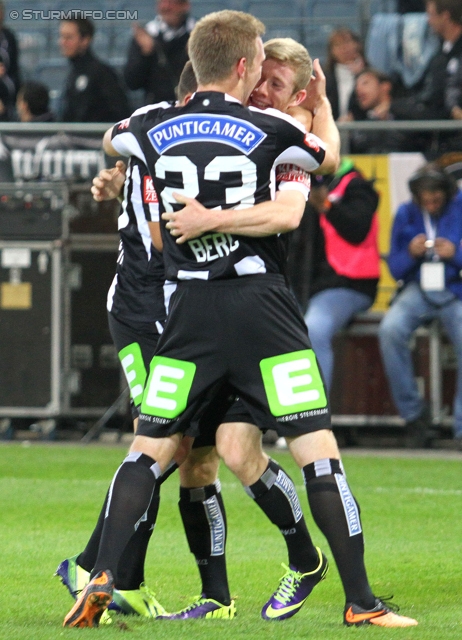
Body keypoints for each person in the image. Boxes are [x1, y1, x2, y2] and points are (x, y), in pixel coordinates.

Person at [63, 11, 416, 629]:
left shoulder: (148, 124)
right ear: (246, 66)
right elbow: (324, 162)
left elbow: (110, 139)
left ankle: (104, 573)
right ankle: (360, 601)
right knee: (316, 453)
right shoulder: (273, 129)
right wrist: (320, 108)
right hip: (262, 315)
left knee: (147, 452)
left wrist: (133, 173)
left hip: (187, 315)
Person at [58, 59, 316, 624]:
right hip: (147, 309)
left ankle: (190, 589)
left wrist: (121, 176)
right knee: (163, 445)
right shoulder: (167, 141)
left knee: (207, 455)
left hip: (204, 314)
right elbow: (158, 229)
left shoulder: (179, 145)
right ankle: (112, 574)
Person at [379, 164, 462, 448]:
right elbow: (396, 269)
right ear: (416, 194)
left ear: (447, 191)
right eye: (425, 194)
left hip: (455, 288)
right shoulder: (405, 212)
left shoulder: (460, 207)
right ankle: (414, 415)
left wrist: (456, 254)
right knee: (389, 330)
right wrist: (410, 254)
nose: (431, 199)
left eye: (436, 193)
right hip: (418, 288)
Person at [291, 158, 380, 393]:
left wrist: (327, 206)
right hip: (305, 284)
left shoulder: (357, 186)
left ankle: (315, 421)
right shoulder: (299, 185)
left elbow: (357, 230)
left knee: (314, 329)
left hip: (348, 284)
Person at [59, 18, 130, 122]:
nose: (62, 42)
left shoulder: (103, 74)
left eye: (68, 37)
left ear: (85, 40)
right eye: (61, 36)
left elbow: (119, 112)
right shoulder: (74, 72)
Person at [123, 0, 194, 105]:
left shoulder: (200, 34)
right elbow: (132, 83)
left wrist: (194, 54)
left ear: (185, 6)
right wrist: (145, 53)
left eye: (172, 2)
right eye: (162, 2)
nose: (166, 7)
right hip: (157, 111)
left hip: (192, 106)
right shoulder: (146, 34)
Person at [324, 28, 366, 121]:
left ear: (357, 45)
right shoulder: (324, 77)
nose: (344, 48)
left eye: (347, 42)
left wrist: (360, 74)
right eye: (338, 45)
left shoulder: (370, 73)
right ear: (331, 51)